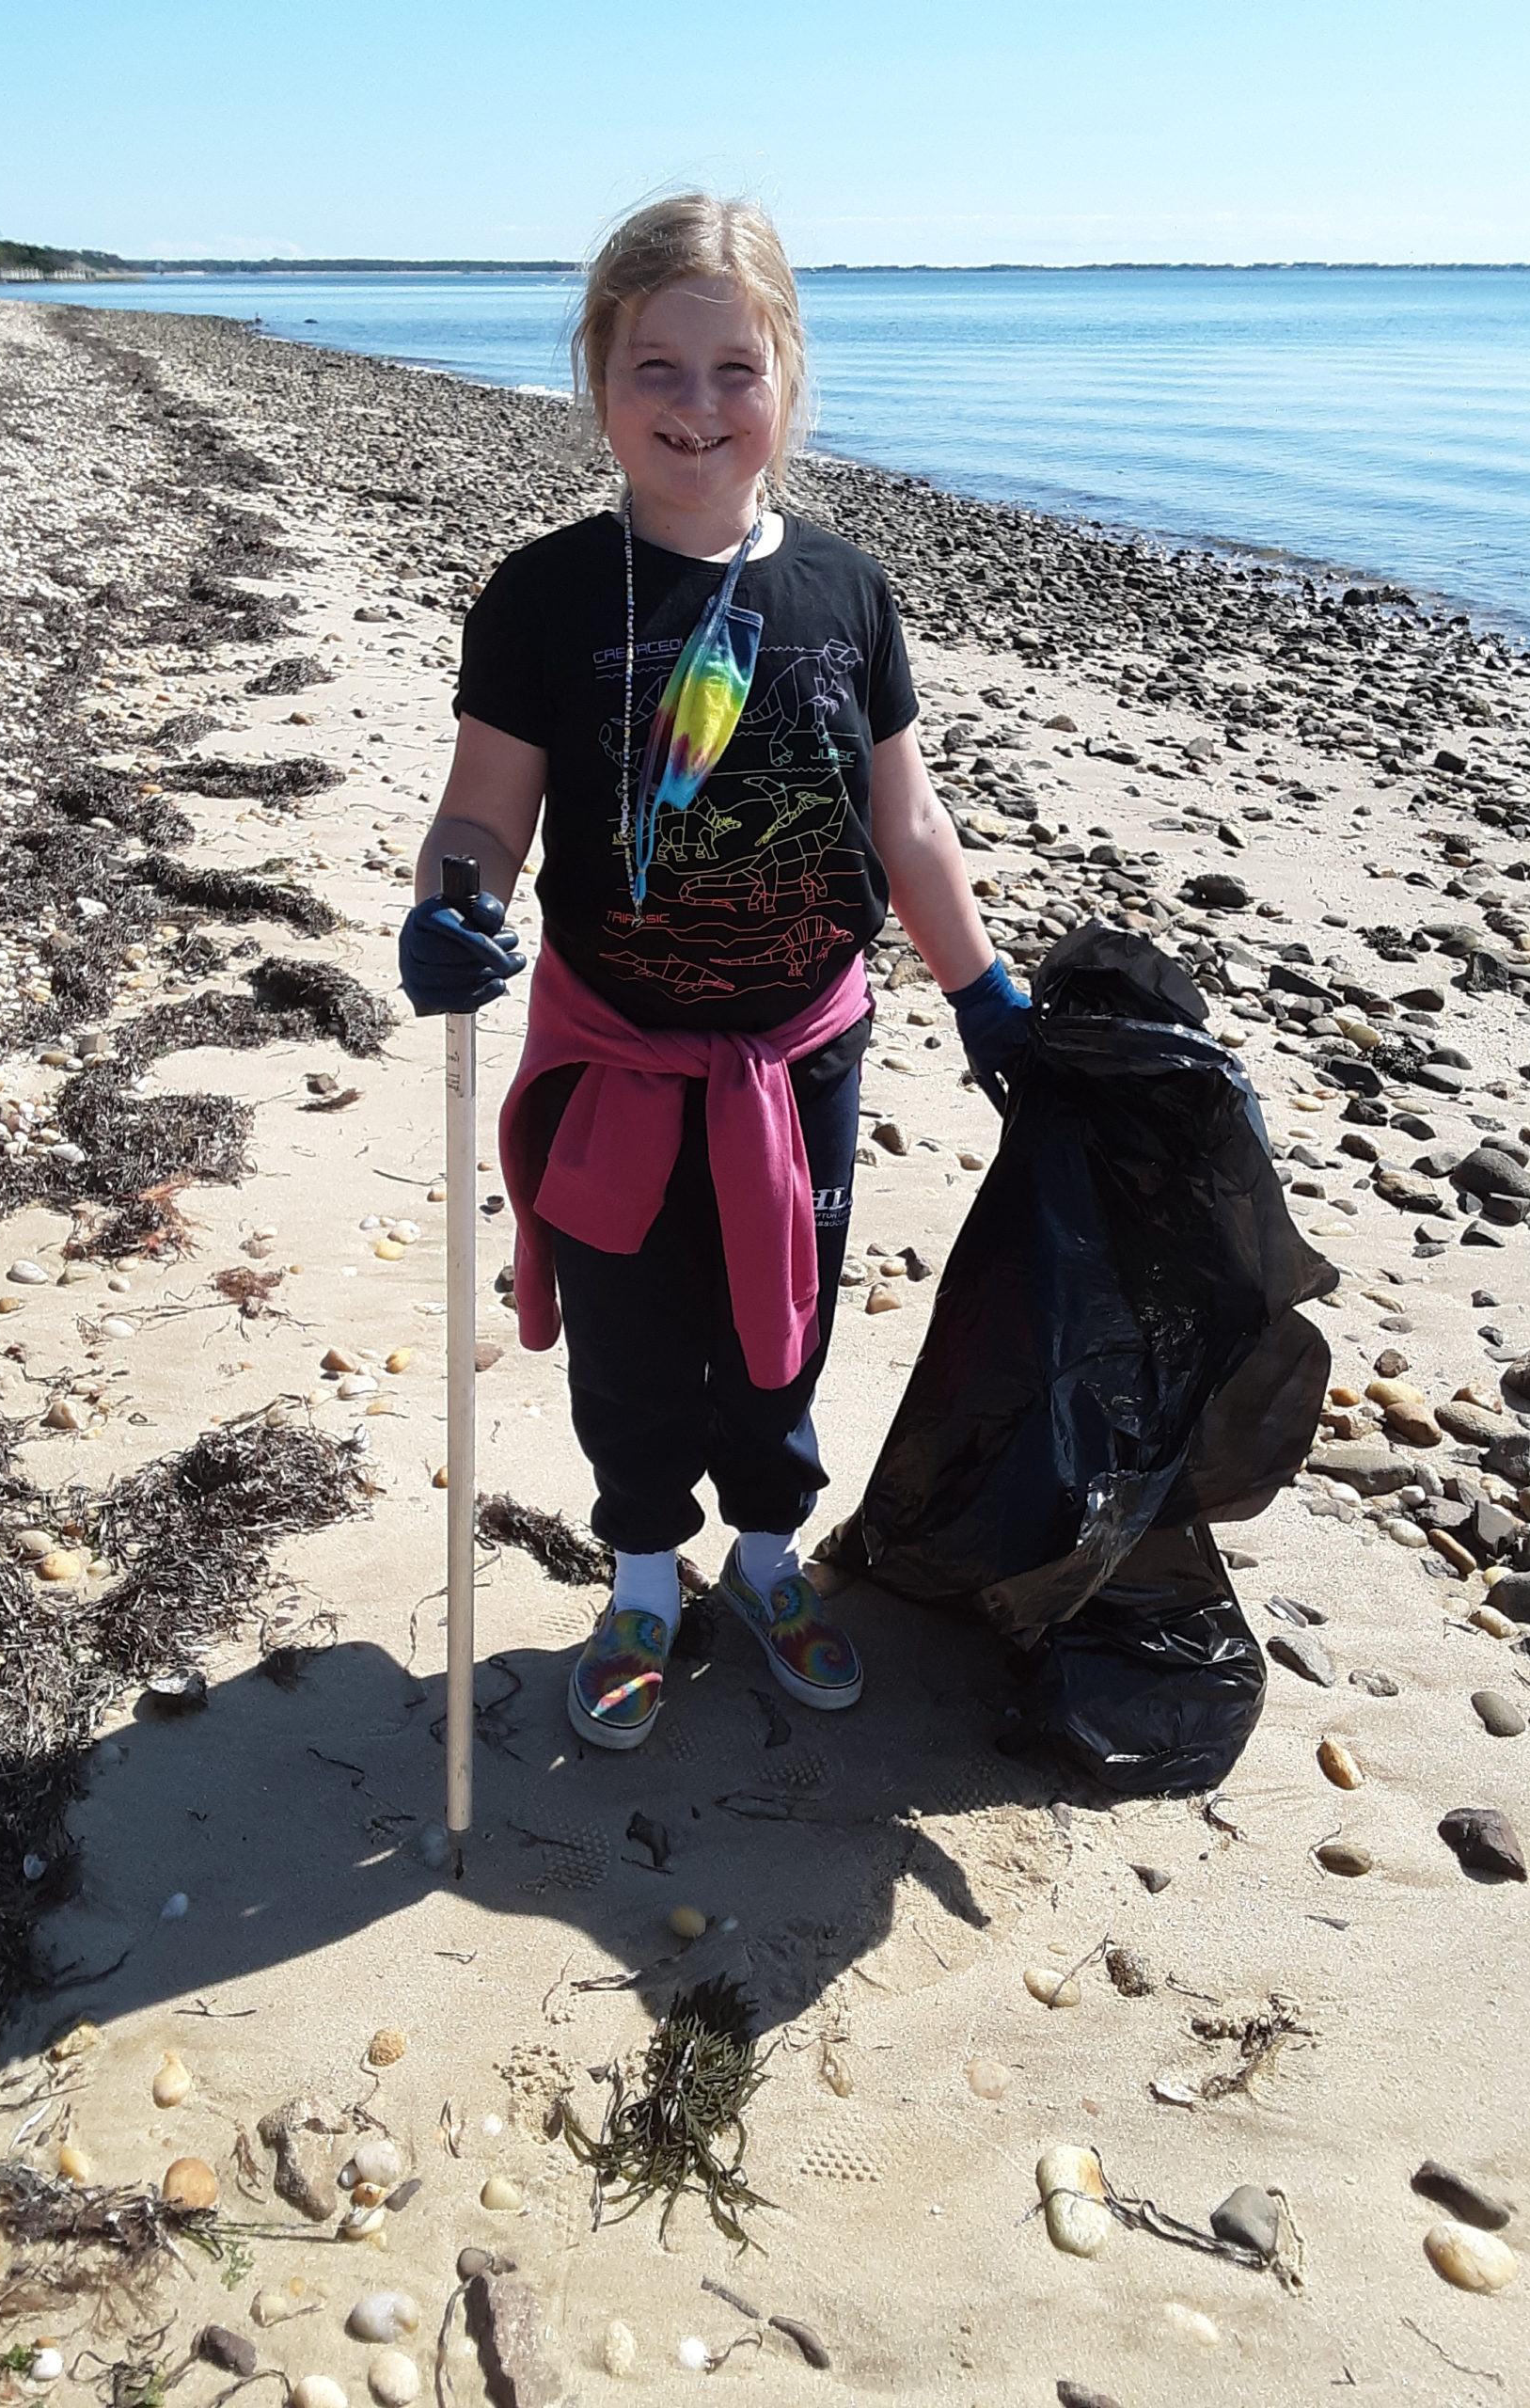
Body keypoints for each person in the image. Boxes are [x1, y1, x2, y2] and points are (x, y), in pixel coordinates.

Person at [401, 194, 1028, 1751]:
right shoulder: (544, 596)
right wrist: (450, 904)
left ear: (788, 381)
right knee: (625, 1335)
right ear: (598, 379)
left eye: (732, 369)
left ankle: (764, 1561)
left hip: (797, 1060)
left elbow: (908, 817)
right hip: (614, 1059)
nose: (694, 407)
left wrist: (980, 985)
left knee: (779, 1325)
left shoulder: (847, 593)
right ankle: (639, 1581)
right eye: (654, 368)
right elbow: (482, 816)